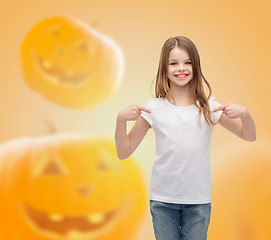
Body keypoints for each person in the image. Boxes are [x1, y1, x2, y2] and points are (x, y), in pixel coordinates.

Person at [114, 36, 256, 240]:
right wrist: (120, 121)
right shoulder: (153, 108)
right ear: (164, 68)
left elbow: (248, 136)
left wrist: (245, 114)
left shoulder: (209, 106)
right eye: (174, 63)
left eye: (187, 62)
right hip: (162, 200)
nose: (181, 68)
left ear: (195, 66)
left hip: (197, 200)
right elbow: (123, 151)